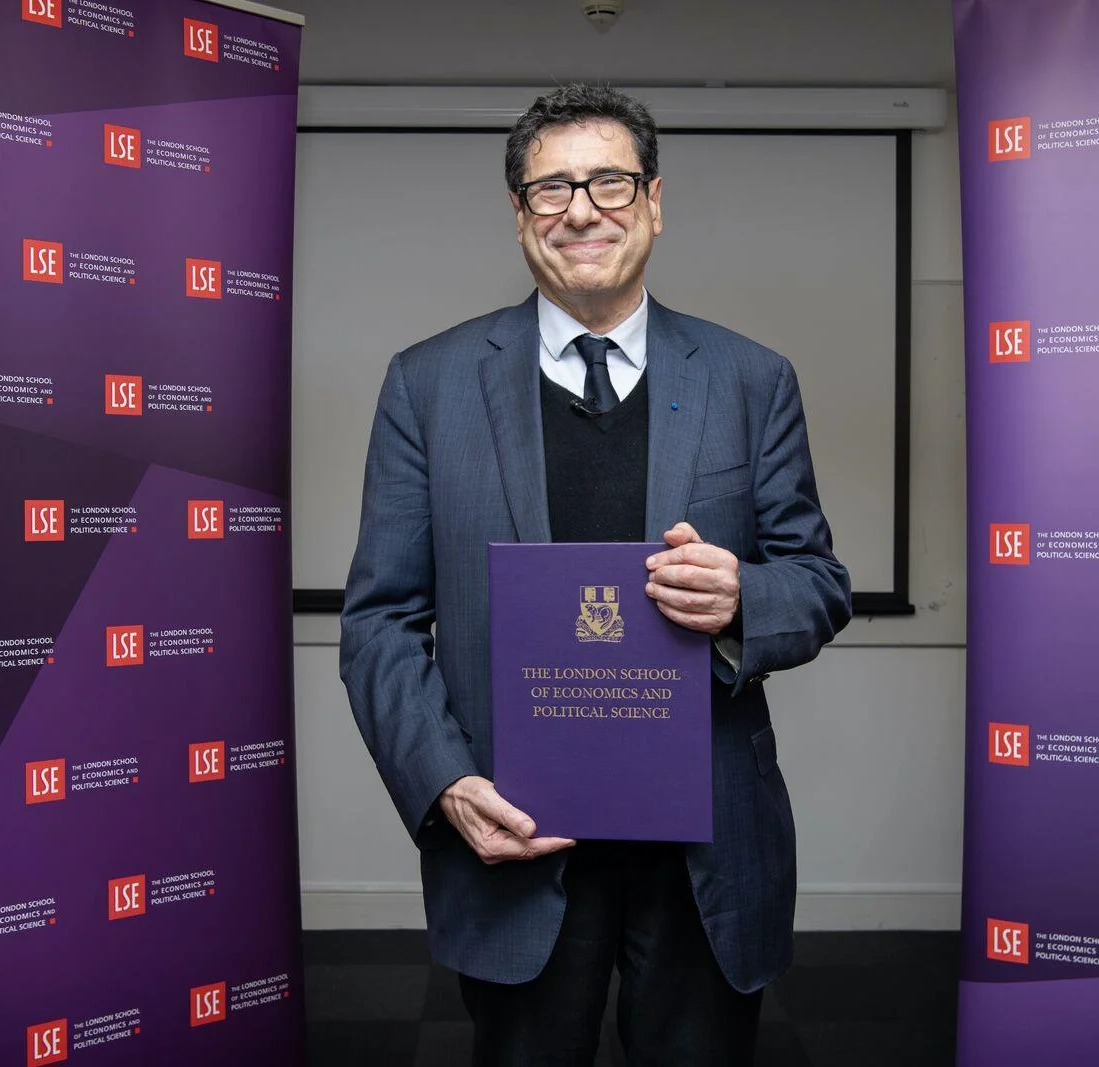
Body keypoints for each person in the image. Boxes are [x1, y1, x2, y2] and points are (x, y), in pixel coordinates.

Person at [340, 83, 851, 1066]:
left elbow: (817, 580)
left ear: (654, 200)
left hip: (702, 849)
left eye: (609, 182)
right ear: (520, 215)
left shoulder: (750, 379)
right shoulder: (428, 383)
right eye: (551, 189)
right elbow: (379, 621)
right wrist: (441, 780)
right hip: (519, 840)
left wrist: (745, 595)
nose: (582, 210)